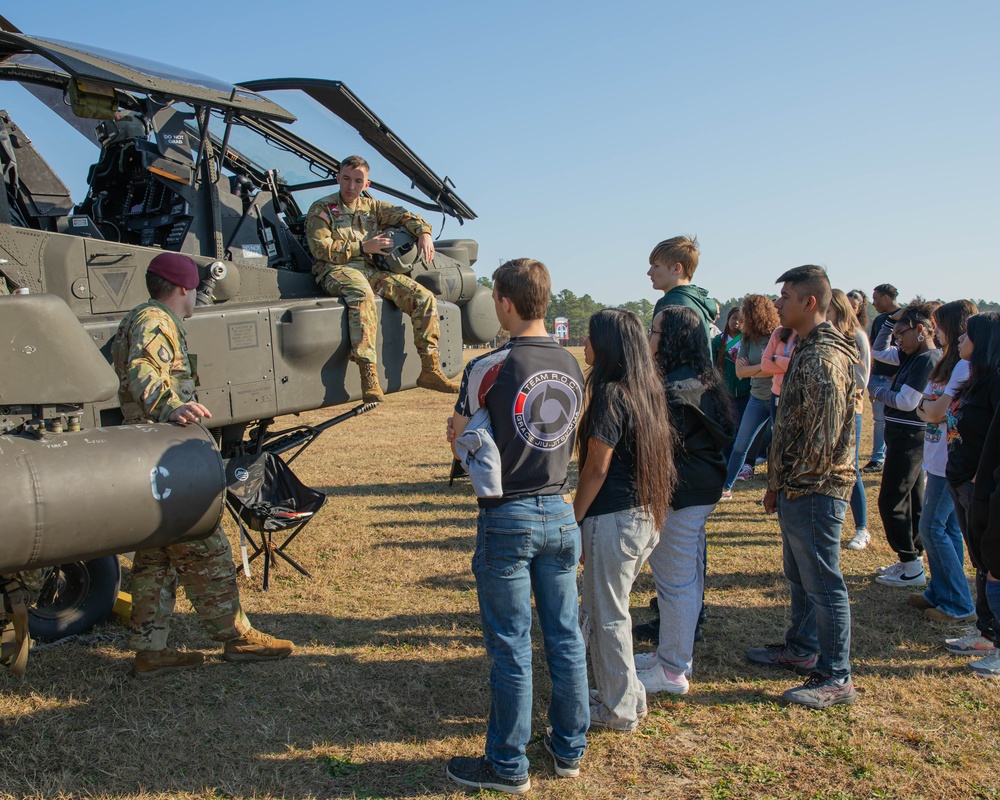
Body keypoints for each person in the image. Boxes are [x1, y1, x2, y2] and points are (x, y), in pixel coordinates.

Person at [111, 252, 294, 677]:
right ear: (181, 289)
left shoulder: (144, 317)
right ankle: (236, 638)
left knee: (156, 556)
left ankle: (150, 649)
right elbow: (143, 369)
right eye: (195, 290)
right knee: (206, 544)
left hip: (147, 453)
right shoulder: (156, 320)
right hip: (165, 457)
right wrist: (171, 406)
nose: (197, 297)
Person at [446, 259, 588, 793]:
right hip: (559, 508)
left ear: (504, 303)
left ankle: (507, 765)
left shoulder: (492, 363)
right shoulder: (572, 365)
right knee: (566, 638)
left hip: (508, 514)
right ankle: (569, 747)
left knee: (511, 646)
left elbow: (460, 439)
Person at [746, 265, 857, 709]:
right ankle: (802, 649)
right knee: (801, 576)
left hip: (815, 489)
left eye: (786, 296)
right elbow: (792, 426)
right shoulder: (807, 348)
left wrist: (792, 487)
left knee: (823, 583)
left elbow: (822, 441)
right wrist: (777, 483)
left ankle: (836, 675)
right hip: (797, 487)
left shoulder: (824, 358)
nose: (777, 304)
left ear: (810, 303)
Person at [574, 309, 675, 732]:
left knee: (605, 616)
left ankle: (616, 709)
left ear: (608, 345)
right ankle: (628, 695)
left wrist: (573, 518)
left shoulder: (612, 394)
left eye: (590, 337)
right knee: (612, 610)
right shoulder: (645, 389)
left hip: (613, 521)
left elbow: (597, 467)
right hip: (641, 518)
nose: (584, 344)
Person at [305, 154, 458, 404]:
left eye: (357, 181)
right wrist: (363, 247)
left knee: (423, 297)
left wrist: (425, 233)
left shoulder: (372, 207)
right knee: (361, 293)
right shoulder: (322, 208)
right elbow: (320, 248)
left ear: (367, 184)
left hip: (371, 272)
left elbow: (407, 216)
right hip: (335, 270)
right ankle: (369, 375)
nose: (351, 186)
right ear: (337, 178)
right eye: (345, 179)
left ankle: (430, 369)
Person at [637, 307, 735, 697]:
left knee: (675, 584)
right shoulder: (702, 380)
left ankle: (673, 670)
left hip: (681, 495)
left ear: (673, 339)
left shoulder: (674, 390)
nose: (651, 337)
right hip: (700, 491)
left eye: (656, 330)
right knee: (687, 579)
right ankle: (674, 656)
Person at [910, 300, 978, 622]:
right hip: (936, 457)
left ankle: (958, 604)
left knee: (931, 527)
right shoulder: (946, 362)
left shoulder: (965, 365)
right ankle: (940, 593)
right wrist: (931, 410)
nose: (933, 329)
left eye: (938, 324)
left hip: (949, 461)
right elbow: (927, 405)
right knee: (948, 529)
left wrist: (931, 411)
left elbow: (934, 411)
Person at [870, 302, 941, 586]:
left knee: (892, 500)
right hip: (902, 435)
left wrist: (877, 390)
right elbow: (878, 351)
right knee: (912, 499)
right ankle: (912, 561)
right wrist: (890, 321)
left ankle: (911, 565)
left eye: (902, 335)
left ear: (920, 330)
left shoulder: (927, 359)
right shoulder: (913, 355)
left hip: (910, 438)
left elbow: (906, 401)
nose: (898, 341)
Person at [944, 312, 1000, 666]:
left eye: (967, 336)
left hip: (982, 488)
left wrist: (984, 478)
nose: (961, 340)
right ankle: (986, 633)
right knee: (980, 563)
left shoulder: (996, 383)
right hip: (961, 481)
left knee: (993, 563)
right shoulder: (974, 380)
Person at [721, 295, 780, 498]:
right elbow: (740, 372)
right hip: (756, 398)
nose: (742, 317)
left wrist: (754, 368)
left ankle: (775, 490)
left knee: (779, 446)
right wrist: (766, 366)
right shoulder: (747, 338)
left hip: (777, 397)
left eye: (746, 312)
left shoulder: (777, 335)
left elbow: (779, 368)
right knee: (740, 445)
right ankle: (726, 488)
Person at [826, 289, 871, 551]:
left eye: (828, 311)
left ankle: (862, 528)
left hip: (849, 409)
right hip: (826, 409)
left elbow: (862, 380)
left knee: (850, 469)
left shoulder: (857, 337)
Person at [646, 235, 715, 344]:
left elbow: (659, 354)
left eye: (656, 265)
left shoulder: (669, 304)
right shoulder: (699, 303)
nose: (649, 272)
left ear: (676, 268)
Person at [865, 283, 902, 471]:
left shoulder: (906, 318)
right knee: (879, 420)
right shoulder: (880, 320)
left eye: (876, 298)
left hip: (893, 381)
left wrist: (898, 375)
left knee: (893, 421)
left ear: (886, 298)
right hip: (876, 378)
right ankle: (878, 459)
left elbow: (909, 351)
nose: (874, 303)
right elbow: (873, 348)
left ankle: (891, 458)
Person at [712, 307, 750, 464]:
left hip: (744, 390)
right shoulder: (718, 340)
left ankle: (739, 463)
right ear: (728, 319)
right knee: (726, 426)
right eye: (734, 318)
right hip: (724, 392)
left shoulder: (747, 340)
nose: (736, 322)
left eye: (741, 320)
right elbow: (713, 365)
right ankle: (723, 459)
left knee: (741, 428)